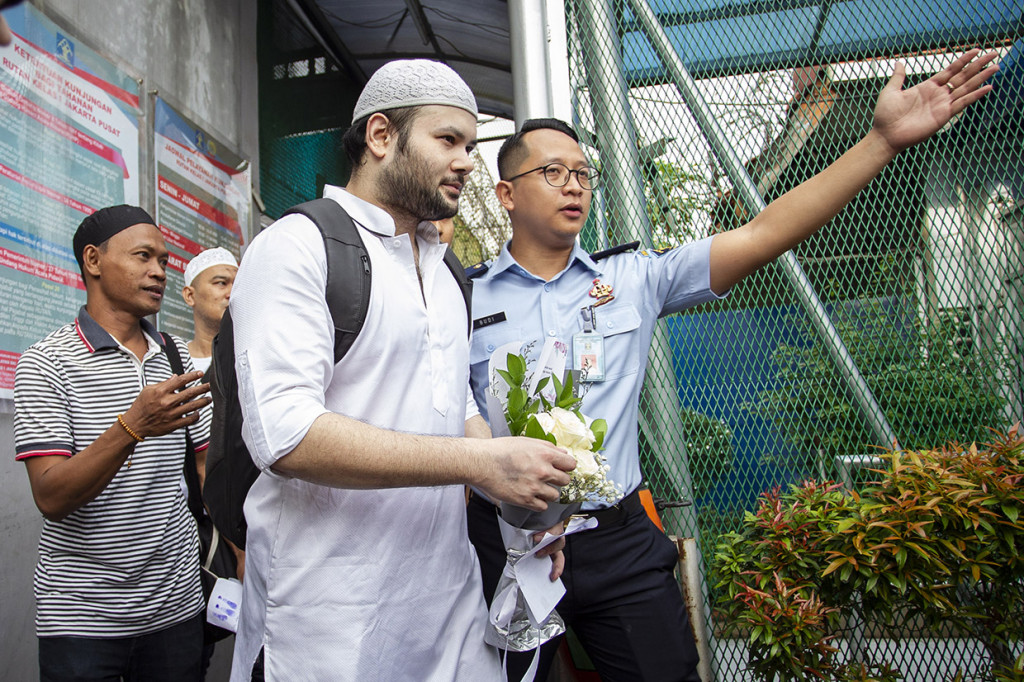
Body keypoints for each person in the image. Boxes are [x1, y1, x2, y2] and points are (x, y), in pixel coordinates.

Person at [466, 50, 999, 681]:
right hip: (498, 545)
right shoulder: (459, 297)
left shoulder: (635, 277)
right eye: (552, 172)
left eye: (583, 172)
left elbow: (764, 232)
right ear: (505, 193)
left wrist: (880, 142)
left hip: (618, 542)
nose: (574, 185)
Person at [228, 59, 576, 681]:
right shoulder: (296, 246)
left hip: (448, 607)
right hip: (326, 623)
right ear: (381, 136)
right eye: (448, 140)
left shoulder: (445, 270)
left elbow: (453, 408)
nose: (469, 160)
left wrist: (525, 504)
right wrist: (481, 464)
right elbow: (284, 434)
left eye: (471, 145)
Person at [13, 204, 213, 682]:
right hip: (81, 621)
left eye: (164, 261)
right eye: (144, 256)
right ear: (93, 261)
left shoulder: (176, 354)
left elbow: (205, 469)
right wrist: (133, 425)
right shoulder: (45, 364)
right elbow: (52, 496)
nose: (158, 272)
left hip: (177, 607)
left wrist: (241, 557)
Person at [182, 247, 238, 375]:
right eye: (221, 283)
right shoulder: (169, 360)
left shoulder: (252, 355)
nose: (232, 293)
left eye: (237, 285)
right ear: (190, 296)